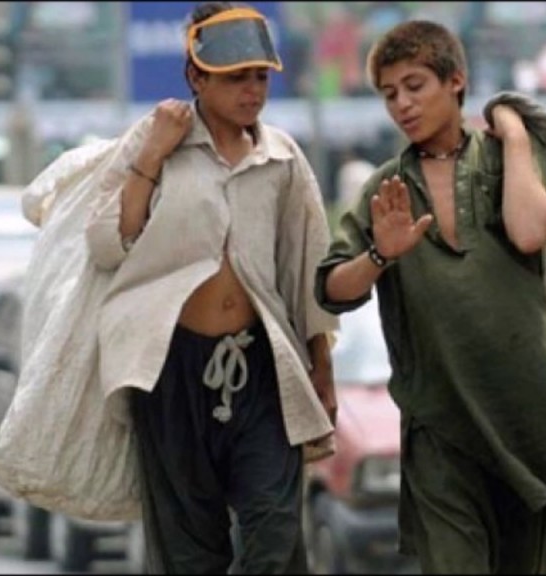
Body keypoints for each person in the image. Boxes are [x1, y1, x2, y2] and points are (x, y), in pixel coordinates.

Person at [314, 20, 546, 574]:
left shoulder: (507, 163)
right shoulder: (387, 189)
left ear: (456, 80)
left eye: (415, 86)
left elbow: (530, 231)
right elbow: (333, 290)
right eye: (389, 94)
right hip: (440, 428)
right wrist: (380, 255)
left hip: (527, 418)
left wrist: (517, 138)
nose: (402, 104)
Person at [84, 2, 337, 573]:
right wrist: (153, 154)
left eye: (259, 77)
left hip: (262, 370)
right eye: (234, 77)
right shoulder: (154, 144)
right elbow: (105, 243)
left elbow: (305, 267)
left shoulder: (282, 158)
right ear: (195, 78)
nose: (252, 91)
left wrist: (321, 366)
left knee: (274, 534)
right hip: (169, 370)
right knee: (188, 552)